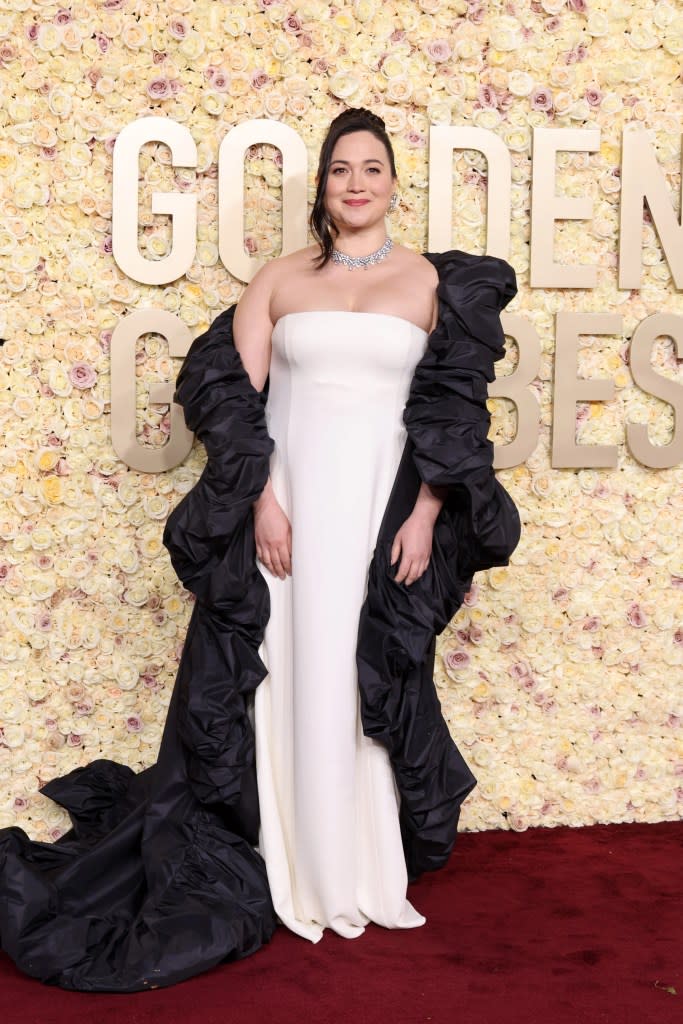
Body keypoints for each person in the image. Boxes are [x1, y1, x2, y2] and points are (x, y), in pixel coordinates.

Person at [0, 108, 520, 991]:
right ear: (321, 187)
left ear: (394, 181)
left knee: (356, 673)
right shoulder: (277, 278)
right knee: (281, 669)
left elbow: (451, 415)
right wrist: (259, 506)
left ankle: (353, 868)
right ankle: (285, 860)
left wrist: (427, 513)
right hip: (286, 512)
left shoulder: (435, 284)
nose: (356, 184)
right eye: (339, 171)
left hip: (375, 511)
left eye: (371, 168)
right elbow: (235, 408)